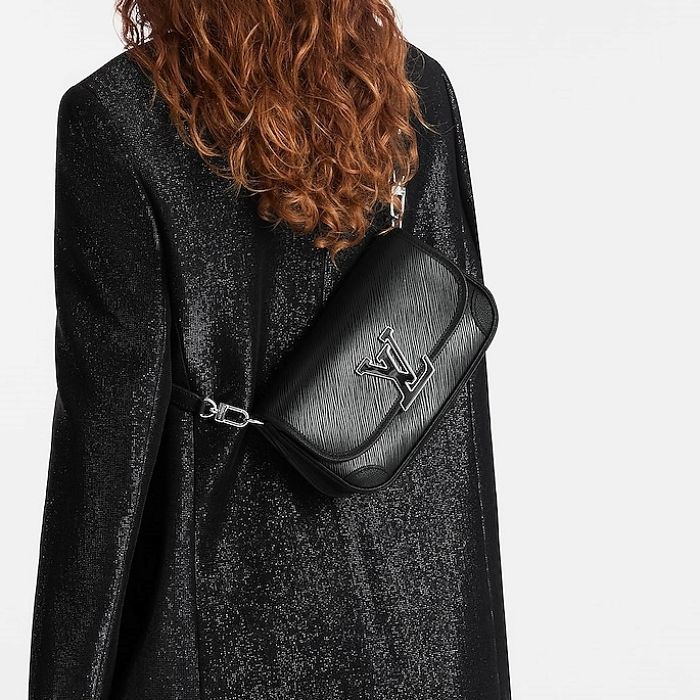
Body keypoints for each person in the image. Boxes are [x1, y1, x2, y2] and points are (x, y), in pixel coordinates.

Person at [29, 1, 510, 698]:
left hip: (221, 626)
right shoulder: (414, 87)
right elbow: (449, 401)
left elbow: (105, 448)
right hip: (419, 629)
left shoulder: (115, 117)